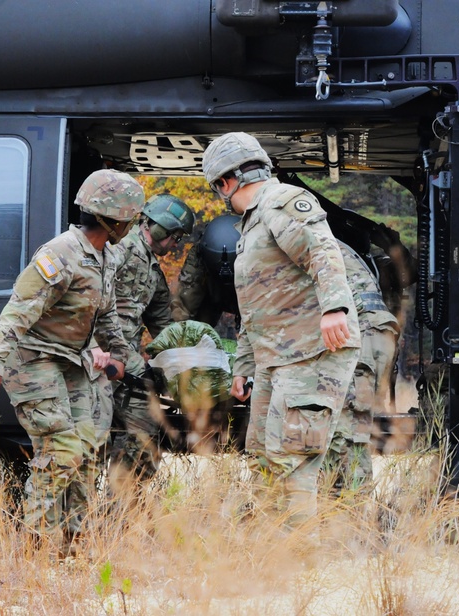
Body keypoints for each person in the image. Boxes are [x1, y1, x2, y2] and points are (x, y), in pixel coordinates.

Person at [0, 169, 146, 556]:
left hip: (72, 360)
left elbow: (106, 316)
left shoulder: (107, 255)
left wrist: (124, 359)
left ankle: (72, 549)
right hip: (32, 358)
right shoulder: (60, 255)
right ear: (113, 219)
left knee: (88, 449)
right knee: (62, 450)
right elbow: (19, 310)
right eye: (129, 218)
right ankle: (34, 551)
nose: (131, 225)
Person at [202, 132, 361, 527]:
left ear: (224, 183)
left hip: (311, 349)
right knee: (263, 455)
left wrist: (335, 307)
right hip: (276, 358)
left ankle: (298, 564)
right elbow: (255, 310)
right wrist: (243, 367)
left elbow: (322, 250)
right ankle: (272, 558)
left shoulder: (280, 201)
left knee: (291, 461)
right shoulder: (253, 224)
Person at [108, 193, 195, 491]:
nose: (176, 245)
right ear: (158, 228)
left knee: (143, 434)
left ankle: (118, 512)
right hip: (98, 364)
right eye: (175, 237)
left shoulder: (152, 270)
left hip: (125, 370)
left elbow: (163, 325)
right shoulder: (118, 251)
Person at [327, 241, 401, 493]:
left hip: (362, 335)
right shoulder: (323, 239)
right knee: (350, 430)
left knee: (347, 433)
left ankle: (351, 513)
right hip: (370, 333)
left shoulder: (294, 237)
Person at [170, 213, 242, 336]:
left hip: (248, 290)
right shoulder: (198, 259)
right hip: (211, 292)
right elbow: (182, 306)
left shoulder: (260, 255)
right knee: (193, 330)